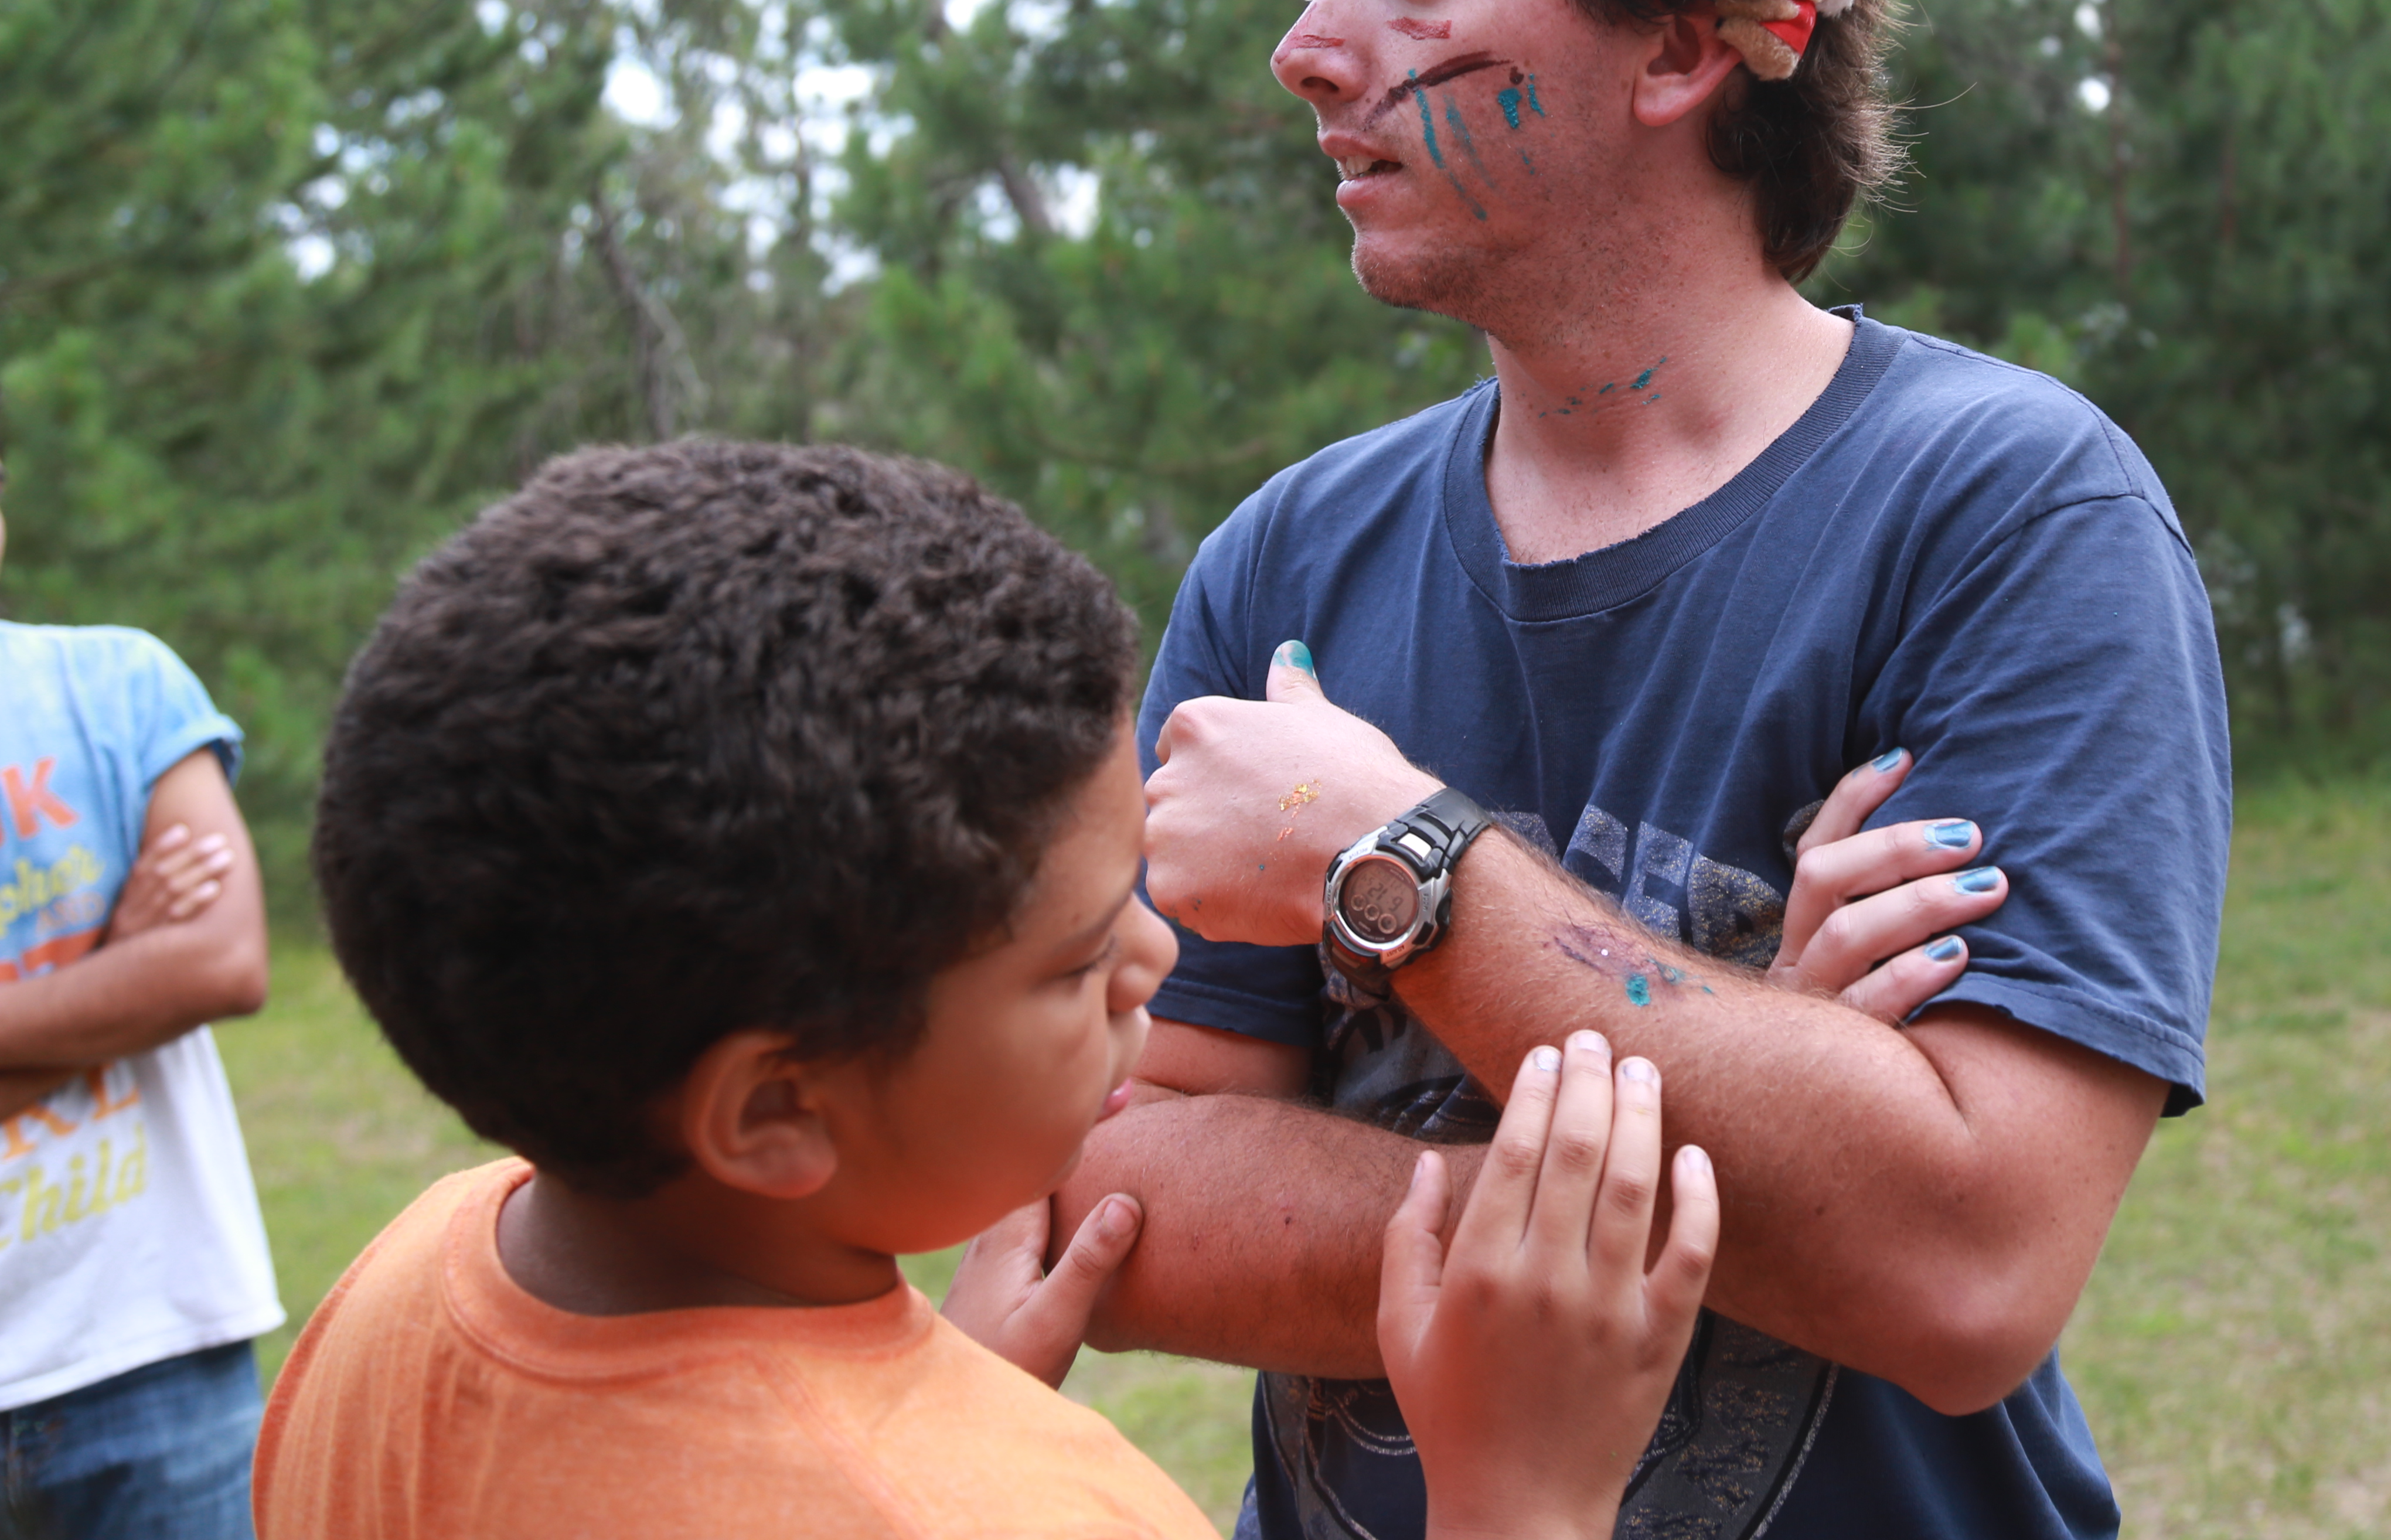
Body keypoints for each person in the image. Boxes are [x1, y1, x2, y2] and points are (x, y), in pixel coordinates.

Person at [1056, 0, 2236, 1540]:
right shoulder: (1291, 558)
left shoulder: (2011, 516)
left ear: (1691, 38)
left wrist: (1397, 862)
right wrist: (1772, 1105)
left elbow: (1965, 1269)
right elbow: (1107, 1204)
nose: (1307, 49)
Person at [259, 440, 1722, 1540]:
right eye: (1075, 961)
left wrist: (933, 1401)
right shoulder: (1038, 1512)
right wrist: (1517, 1505)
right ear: (773, 1111)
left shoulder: (404, 1292)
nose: (1155, 958)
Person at [0, 459, 284, 1540]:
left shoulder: (118, 685)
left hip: (153, 1350)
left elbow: (222, 964)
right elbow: (170, 974)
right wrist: (119, 963)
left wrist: (155, 966)